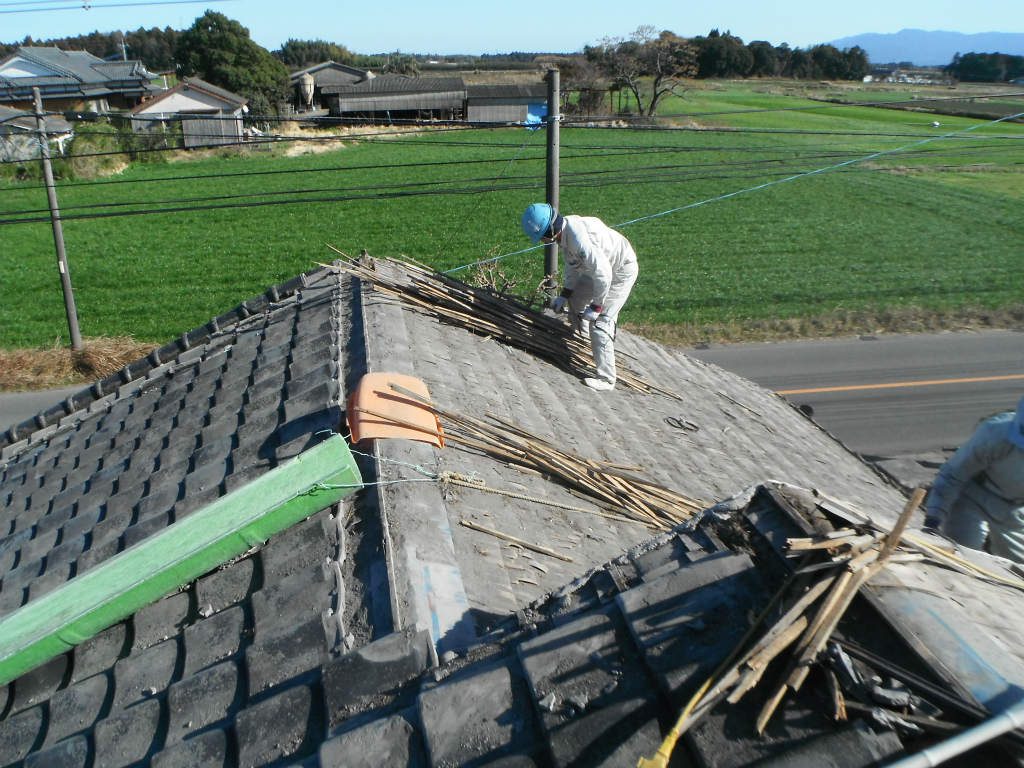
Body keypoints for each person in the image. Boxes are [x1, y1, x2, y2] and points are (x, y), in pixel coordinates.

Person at [521, 203, 638, 391]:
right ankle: (583, 338)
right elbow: (573, 266)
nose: (543, 241)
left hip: (620, 271)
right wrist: (565, 295)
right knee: (575, 300)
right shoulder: (566, 233)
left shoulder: (579, 239)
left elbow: (604, 274)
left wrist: (597, 307)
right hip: (601, 268)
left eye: (542, 237)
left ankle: (607, 379)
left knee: (601, 324)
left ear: (550, 230)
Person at [923, 396, 1024, 563]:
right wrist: (933, 519)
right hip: (974, 499)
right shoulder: (995, 435)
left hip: (1016, 513)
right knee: (963, 559)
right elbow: (952, 475)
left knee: (1017, 577)